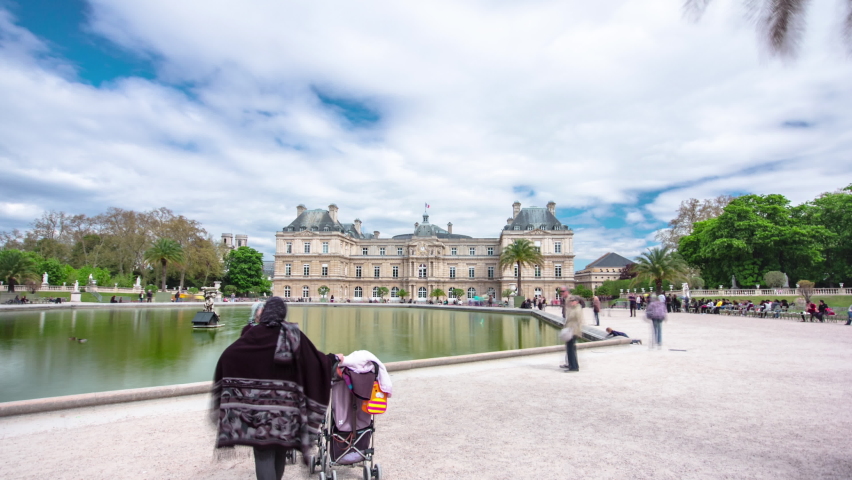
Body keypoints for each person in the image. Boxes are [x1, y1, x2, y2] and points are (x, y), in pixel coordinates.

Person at [211, 297, 341, 480]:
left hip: (257, 411)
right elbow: (314, 361)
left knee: (263, 453)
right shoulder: (292, 334)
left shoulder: (252, 334)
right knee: (280, 450)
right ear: (282, 313)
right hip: (286, 410)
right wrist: (333, 359)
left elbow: (229, 356)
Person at [560, 294, 583, 372]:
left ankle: (573, 367)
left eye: (572, 301)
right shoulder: (574, 308)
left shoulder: (577, 309)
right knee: (570, 349)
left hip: (573, 331)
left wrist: (573, 330)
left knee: (570, 350)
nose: (570, 302)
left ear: (576, 301)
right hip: (571, 331)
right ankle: (573, 365)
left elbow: (579, 321)